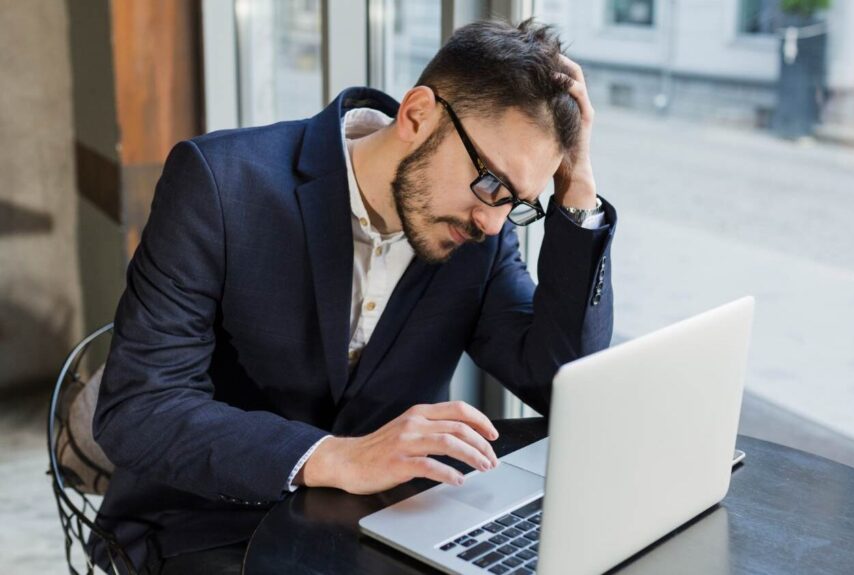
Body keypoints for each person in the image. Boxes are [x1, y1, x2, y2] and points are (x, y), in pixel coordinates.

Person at [91, 19, 615, 574]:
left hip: (385, 522)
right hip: (207, 522)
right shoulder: (221, 184)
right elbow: (138, 408)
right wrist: (335, 457)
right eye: (490, 183)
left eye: (517, 202)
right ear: (417, 115)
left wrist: (577, 194)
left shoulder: (479, 232)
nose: (493, 220)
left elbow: (560, 382)